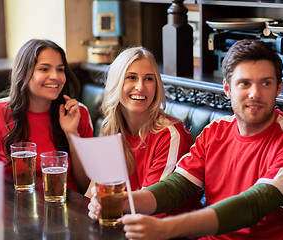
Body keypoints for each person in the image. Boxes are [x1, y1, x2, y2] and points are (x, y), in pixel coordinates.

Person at [88, 39, 283, 239]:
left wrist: (165, 228)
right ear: (228, 89)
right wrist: (122, 201)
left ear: (279, 88)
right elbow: (174, 188)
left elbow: (253, 206)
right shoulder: (215, 132)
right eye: (245, 83)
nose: (255, 93)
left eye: (266, 83)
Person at [86, 46, 202, 216]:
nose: (140, 87)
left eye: (149, 79)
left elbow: (154, 208)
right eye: (131, 77)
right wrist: (93, 207)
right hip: (124, 223)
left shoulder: (170, 134)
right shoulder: (111, 128)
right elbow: (93, 193)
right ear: (116, 83)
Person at [0, 39, 93, 192]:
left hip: (67, 207)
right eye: (44, 69)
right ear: (23, 74)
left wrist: (71, 134)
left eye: (60, 69)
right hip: (12, 210)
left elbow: (87, 185)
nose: (55, 76)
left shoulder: (77, 112)